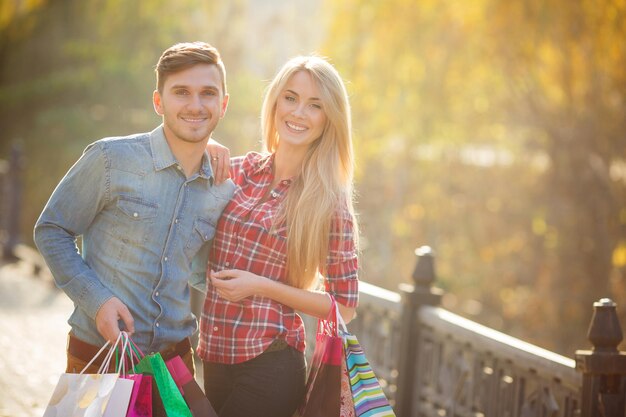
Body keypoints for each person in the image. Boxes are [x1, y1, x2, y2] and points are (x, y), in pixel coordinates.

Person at [34, 41, 234, 382]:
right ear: (158, 101)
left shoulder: (222, 187)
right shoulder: (111, 159)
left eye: (208, 94)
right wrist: (97, 302)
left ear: (223, 104)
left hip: (174, 366)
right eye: (181, 92)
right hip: (100, 356)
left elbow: (202, 272)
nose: (196, 105)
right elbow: (51, 229)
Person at [198, 55, 359, 417]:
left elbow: (345, 306)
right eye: (291, 98)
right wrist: (200, 148)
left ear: (329, 118)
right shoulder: (240, 172)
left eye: (315, 105)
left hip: (270, 363)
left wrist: (260, 285)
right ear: (275, 102)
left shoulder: (329, 202)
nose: (299, 113)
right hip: (214, 355)